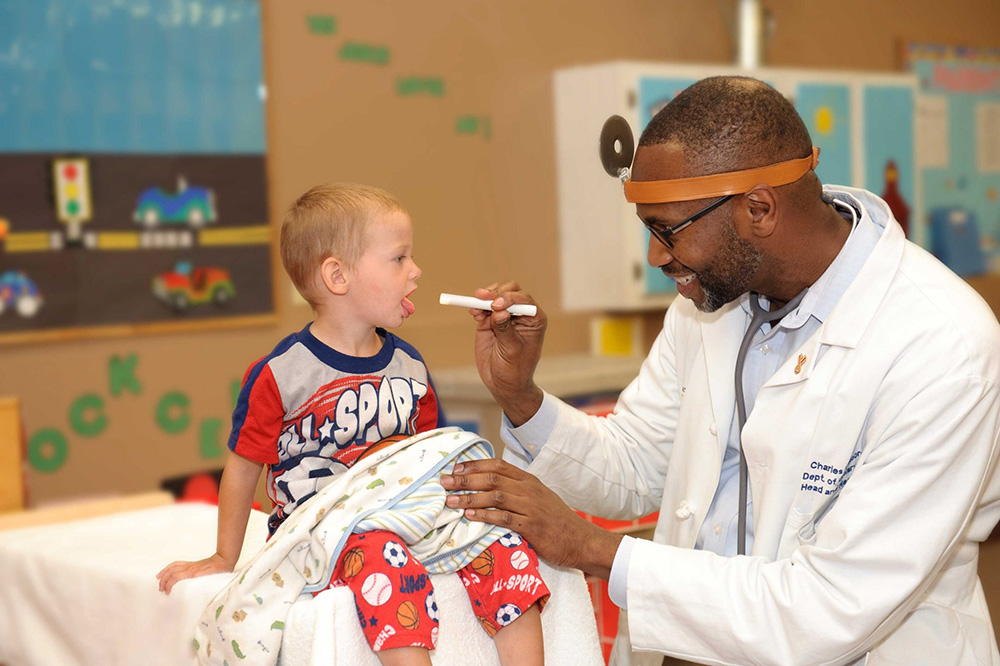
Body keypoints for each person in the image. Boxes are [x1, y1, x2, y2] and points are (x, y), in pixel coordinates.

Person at [440, 76, 1000, 665]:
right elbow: (634, 464)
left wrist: (592, 549)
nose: (656, 256)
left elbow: (827, 610)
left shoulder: (943, 349)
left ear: (758, 209)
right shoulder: (712, 302)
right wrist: (520, 395)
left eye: (668, 229)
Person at [156, 183, 548, 666]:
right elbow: (241, 469)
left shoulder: (410, 366)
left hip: (412, 515)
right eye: (399, 258)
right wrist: (223, 557)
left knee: (504, 541)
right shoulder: (279, 374)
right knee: (383, 557)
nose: (416, 271)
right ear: (337, 276)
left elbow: (432, 459)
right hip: (325, 531)